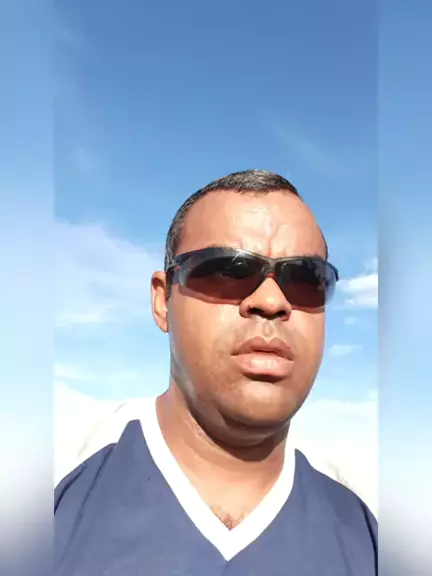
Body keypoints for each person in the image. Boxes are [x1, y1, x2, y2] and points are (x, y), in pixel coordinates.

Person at [55, 170, 377, 575]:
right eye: (229, 270)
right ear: (162, 301)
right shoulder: (55, 476)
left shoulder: (371, 524)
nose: (271, 301)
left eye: (305, 278)